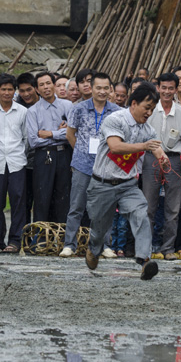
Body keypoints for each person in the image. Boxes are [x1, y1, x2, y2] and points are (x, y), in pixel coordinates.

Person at [83, 84, 169, 280]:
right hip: (102, 184)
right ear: (134, 103)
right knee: (99, 228)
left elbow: (156, 149)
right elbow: (115, 147)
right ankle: (94, 249)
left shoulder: (147, 129)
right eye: (146, 108)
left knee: (141, 214)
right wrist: (144, 146)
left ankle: (144, 260)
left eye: (152, 110)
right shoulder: (114, 120)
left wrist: (162, 160)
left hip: (128, 185)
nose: (149, 113)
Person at [142, 72, 181, 260]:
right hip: (151, 158)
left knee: (173, 207)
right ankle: (147, 247)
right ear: (158, 88)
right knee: (149, 206)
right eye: (163, 88)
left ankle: (168, 248)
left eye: (170, 88)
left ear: (176, 89)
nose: (166, 92)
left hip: (174, 159)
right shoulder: (150, 108)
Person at [63, 73, 121, 258]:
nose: (102, 91)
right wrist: (80, 152)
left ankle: (104, 245)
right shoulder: (78, 109)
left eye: (106, 88)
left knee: (105, 208)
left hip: (107, 166)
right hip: (82, 164)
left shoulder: (117, 111)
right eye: (99, 88)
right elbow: (70, 134)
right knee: (76, 206)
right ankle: (69, 245)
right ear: (91, 88)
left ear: (110, 89)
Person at [0, 74, 28, 253]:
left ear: (15, 91)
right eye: (3, 89)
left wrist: (19, 154)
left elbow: (26, 138)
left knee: (18, 200)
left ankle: (15, 240)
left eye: (10, 89)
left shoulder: (22, 111)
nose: (6, 92)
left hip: (17, 161)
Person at [27, 72, 73, 225]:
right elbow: (34, 141)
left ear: (54, 84)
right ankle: (40, 239)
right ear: (36, 89)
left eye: (48, 83)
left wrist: (49, 134)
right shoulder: (33, 111)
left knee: (63, 196)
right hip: (43, 156)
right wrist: (61, 133)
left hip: (65, 154)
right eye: (42, 85)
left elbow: (72, 133)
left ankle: (63, 239)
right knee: (42, 196)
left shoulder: (67, 106)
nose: (46, 87)